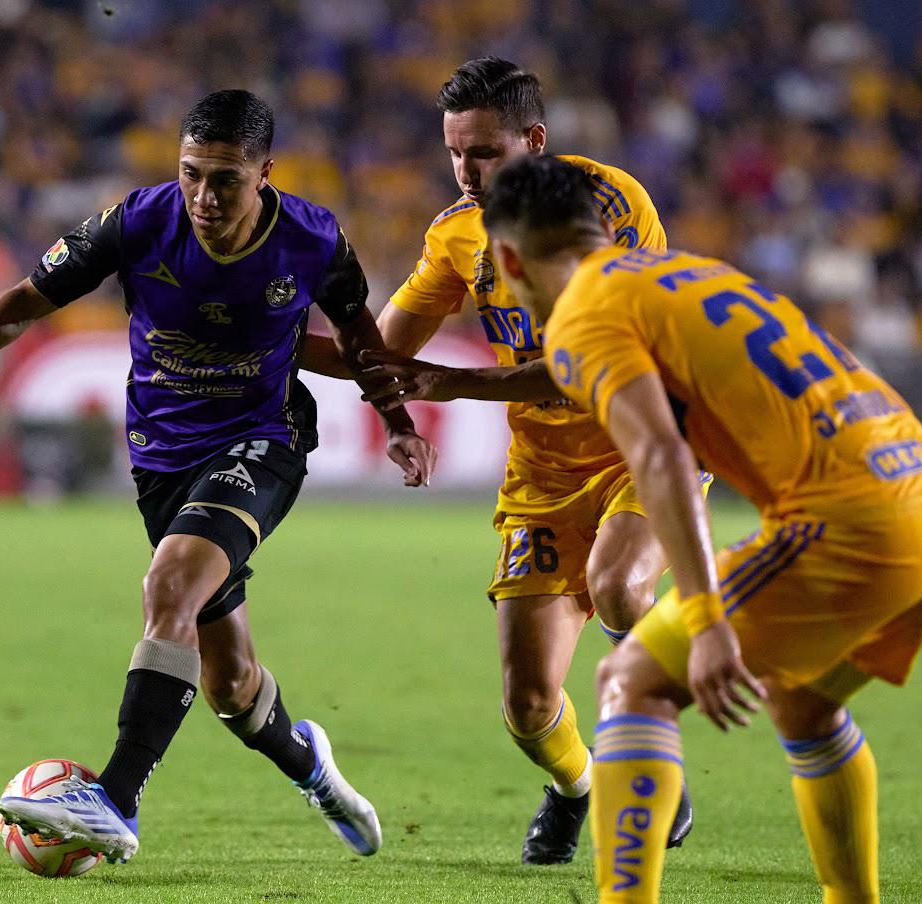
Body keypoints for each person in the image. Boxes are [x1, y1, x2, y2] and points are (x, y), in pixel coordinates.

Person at [0, 90, 436, 864]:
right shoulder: (139, 221)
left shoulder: (312, 239)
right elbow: (25, 303)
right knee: (229, 684)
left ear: (265, 174)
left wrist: (398, 423)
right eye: (191, 174)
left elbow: (359, 341)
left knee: (169, 585)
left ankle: (114, 799)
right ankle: (311, 766)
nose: (204, 197)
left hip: (262, 439)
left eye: (225, 180)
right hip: (161, 456)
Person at [481, 154, 922, 903]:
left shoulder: (582, 312)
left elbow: (661, 456)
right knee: (805, 704)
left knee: (630, 683)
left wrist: (706, 620)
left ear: (511, 260)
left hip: (850, 518)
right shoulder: (688, 272)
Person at [303, 58, 691, 864]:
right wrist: (263, 340)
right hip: (543, 475)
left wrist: (451, 383)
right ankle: (578, 788)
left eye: (483, 152)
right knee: (527, 707)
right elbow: (380, 352)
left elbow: (599, 363)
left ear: (534, 139)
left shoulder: (610, 204)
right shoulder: (455, 234)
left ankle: (648, 743)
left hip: (642, 441)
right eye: (454, 152)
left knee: (620, 587)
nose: (466, 171)